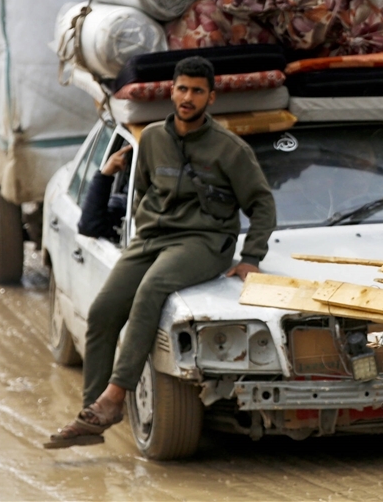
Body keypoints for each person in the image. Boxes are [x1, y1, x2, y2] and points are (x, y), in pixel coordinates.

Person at [46, 56, 277, 449]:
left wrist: (251, 257)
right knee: (104, 309)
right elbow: (142, 193)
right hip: (151, 239)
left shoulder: (229, 149)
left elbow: (262, 203)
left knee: (151, 291)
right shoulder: (151, 138)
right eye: (182, 89)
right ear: (171, 91)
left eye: (197, 91)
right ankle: (92, 415)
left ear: (211, 97)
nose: (188, 98)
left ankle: (114, 397)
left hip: (203, 242)